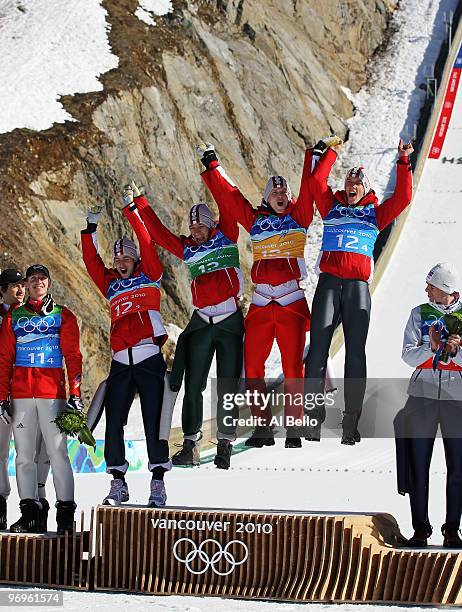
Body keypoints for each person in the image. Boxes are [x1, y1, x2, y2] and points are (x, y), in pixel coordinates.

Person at [198, 143, 314, 448]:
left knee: (292, 367)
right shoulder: (255, 221)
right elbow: (231, 196)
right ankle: (263, 427)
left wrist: (313, 156)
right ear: (265, 198)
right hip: (262, 303)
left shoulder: (298, 217)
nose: (279, 195)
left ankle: (294, 427)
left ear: (289, 197)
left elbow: (312, 186)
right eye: (273, 191)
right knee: (252, 370)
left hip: (290, 302)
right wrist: (212, 163)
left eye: (283, 192)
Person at [123, 182, 244, 469]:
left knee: (228, 384)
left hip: (229, 318)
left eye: (200, 227)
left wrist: (210, 168)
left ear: (210, 225)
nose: (196, 233)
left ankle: (225, 442)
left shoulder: (226, 234)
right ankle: (191, 444)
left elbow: (227, 204)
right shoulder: (187, 248)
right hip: (202, 319)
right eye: (192, 229)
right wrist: (139, 203)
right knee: (193, 386)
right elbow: (159, 234)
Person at [305, 137, 414, 444]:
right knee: (317, 351)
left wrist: (403, 160)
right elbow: (316, 181)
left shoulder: (374, 214)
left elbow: (404, 197)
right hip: (328, 284)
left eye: (357, 182)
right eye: (348, 181)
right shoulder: (331, 207)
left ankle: (351, 421)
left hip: (356, 287)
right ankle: (313, 418)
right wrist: (333, 152)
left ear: (365, 189)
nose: (351, 186)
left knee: (355, 353)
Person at [81, 197, 170, 507]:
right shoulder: (111, 285)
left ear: (134, 261)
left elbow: (147, 243)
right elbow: (92, 263)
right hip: (120, 360)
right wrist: (89, 229)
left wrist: (131, 211)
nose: (120, 264)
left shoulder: (151, 274)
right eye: (117, 260)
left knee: (152, 420)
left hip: (148, 356)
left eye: (125, 260)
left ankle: (157, 480)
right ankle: (118, 482)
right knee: (114, 420)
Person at [0, 265, 81, 534]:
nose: (37, 283)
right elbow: (4, 359)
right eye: (32, 279)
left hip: (51, 395)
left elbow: (73, 357)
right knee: (23, 458)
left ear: (48, 283)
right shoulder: (14, 316)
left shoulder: (63, 315)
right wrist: (3, 397)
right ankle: (29, 513)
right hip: (22, 397)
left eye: (42, 279)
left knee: (58, 454)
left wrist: (76, 394)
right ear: (28, 283)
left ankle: (65, 515)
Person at [395, 263, 462, 548]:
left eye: (431, 286)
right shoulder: (418, 313)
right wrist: (432, 348)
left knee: (458, 466)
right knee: (418, 464)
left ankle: (452, 531)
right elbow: (407, 356)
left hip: (457, 400)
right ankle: (420, 530)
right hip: (421, 397)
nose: (426, 290)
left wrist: (455, 352)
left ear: (446, 289)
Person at [0, 269, 51, 531]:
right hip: (3, 395)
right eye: (14, 285)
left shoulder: (33, 313)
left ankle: (35, 508)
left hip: (28, 394)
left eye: (22, 284)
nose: (20, 289)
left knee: (33, 453)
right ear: (3, 290)